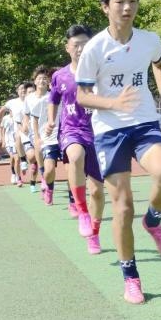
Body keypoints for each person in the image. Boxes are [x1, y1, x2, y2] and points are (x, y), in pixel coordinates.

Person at [75, 0, 161, 304]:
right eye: (120, 1)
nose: (127, 7)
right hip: (109, 131)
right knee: (122, 208)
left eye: (132, 0)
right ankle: (130, 276)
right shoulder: (94, 49)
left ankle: (154, 222)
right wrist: (113, 103)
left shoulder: (149, 40)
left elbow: (159, 64)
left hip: (144, 122)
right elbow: (82, 96)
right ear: (105, 6)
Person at [47, 25, 106, 255]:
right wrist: (51, 120)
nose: (81, 49)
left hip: (98, 133)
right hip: (71, 130)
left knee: (97, 192)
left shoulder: (101, 71)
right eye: (76, 45)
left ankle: (94, 233)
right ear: (68, 48)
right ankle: (81, 211)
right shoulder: (59, 76)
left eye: (85, 44)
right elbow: (53, 100)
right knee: (75, 155)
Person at [26, 66, 58, 206]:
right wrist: (34, 134)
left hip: (55, 133)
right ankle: (43, 175)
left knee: (52, 164)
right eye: (39, 78)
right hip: (38, 132)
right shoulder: (30, 98)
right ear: (35, 81)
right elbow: (29, 116)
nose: (42, 81)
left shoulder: (52, 96)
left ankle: (49, 183)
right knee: (37, 154)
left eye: (45, 78)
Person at [0, 83, 28, 185]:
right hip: (12, 139)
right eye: (21, 89)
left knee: (28, 156)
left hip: (28, 134)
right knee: (16, 158)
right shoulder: (12, 103)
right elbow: (2, 111)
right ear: (17, 91)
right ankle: (17, 176)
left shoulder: (31, 100)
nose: (23, 90)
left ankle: (27, 165)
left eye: (25, 88)